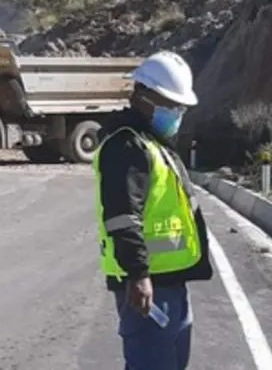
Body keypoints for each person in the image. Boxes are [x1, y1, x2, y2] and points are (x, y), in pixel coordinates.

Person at [93, 50, 214, 370]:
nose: (177, 113)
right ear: (143, 97)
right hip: (149, 286)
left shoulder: (150, 142)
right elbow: (122, 216)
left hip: (169, 282)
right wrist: (138, 273)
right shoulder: (127, 146)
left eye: (180, 107)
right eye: (171, 105)